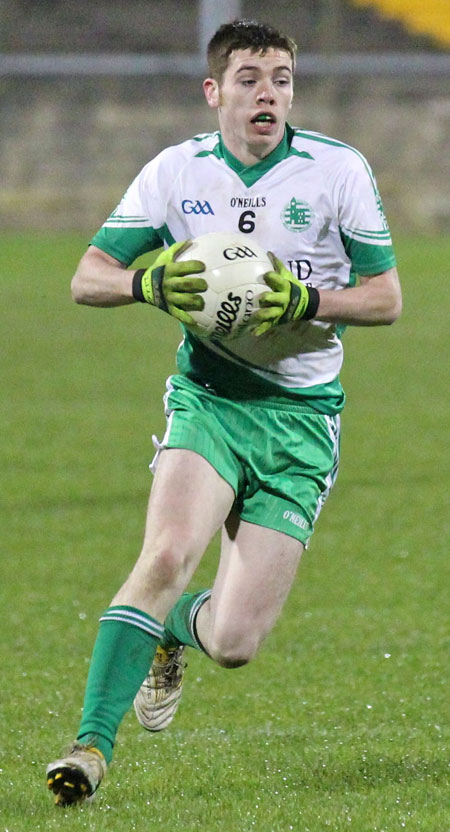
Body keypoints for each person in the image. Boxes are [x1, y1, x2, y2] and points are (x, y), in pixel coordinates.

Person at [46, 19, 401, 806]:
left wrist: (308, 299)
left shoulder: (337, 171)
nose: (266, 91)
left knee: (236, 643)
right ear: (215, 92)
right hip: (208, 398)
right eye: (248, 77)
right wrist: (146, 286)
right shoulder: (176, 174)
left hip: (302, 420)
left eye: (280, 77)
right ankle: (90, 749)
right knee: (166, 557)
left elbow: (387, 298)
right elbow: (88, 275)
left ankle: (176, 634)